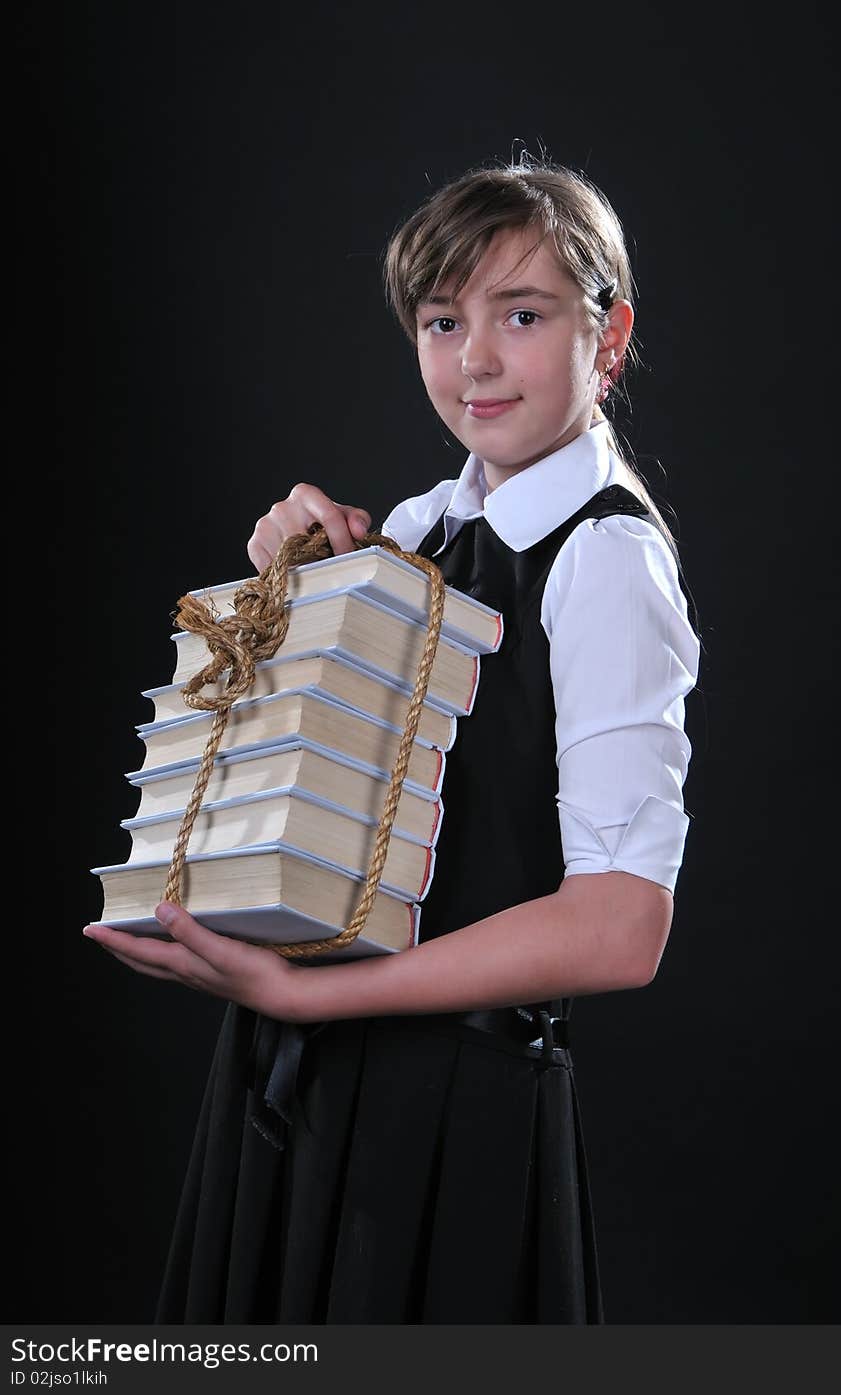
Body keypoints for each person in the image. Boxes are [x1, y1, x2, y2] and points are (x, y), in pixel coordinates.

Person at [83, 154, 701, 1324]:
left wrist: (316, 1000)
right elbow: (318, 799)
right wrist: (289, 585)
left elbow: (621, 926)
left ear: (607, 336)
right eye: (440, 320)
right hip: (307, 1077)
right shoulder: (424, 524)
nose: (473, 358)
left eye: (522, 315)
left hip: (448, 1111)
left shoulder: (607, 557)